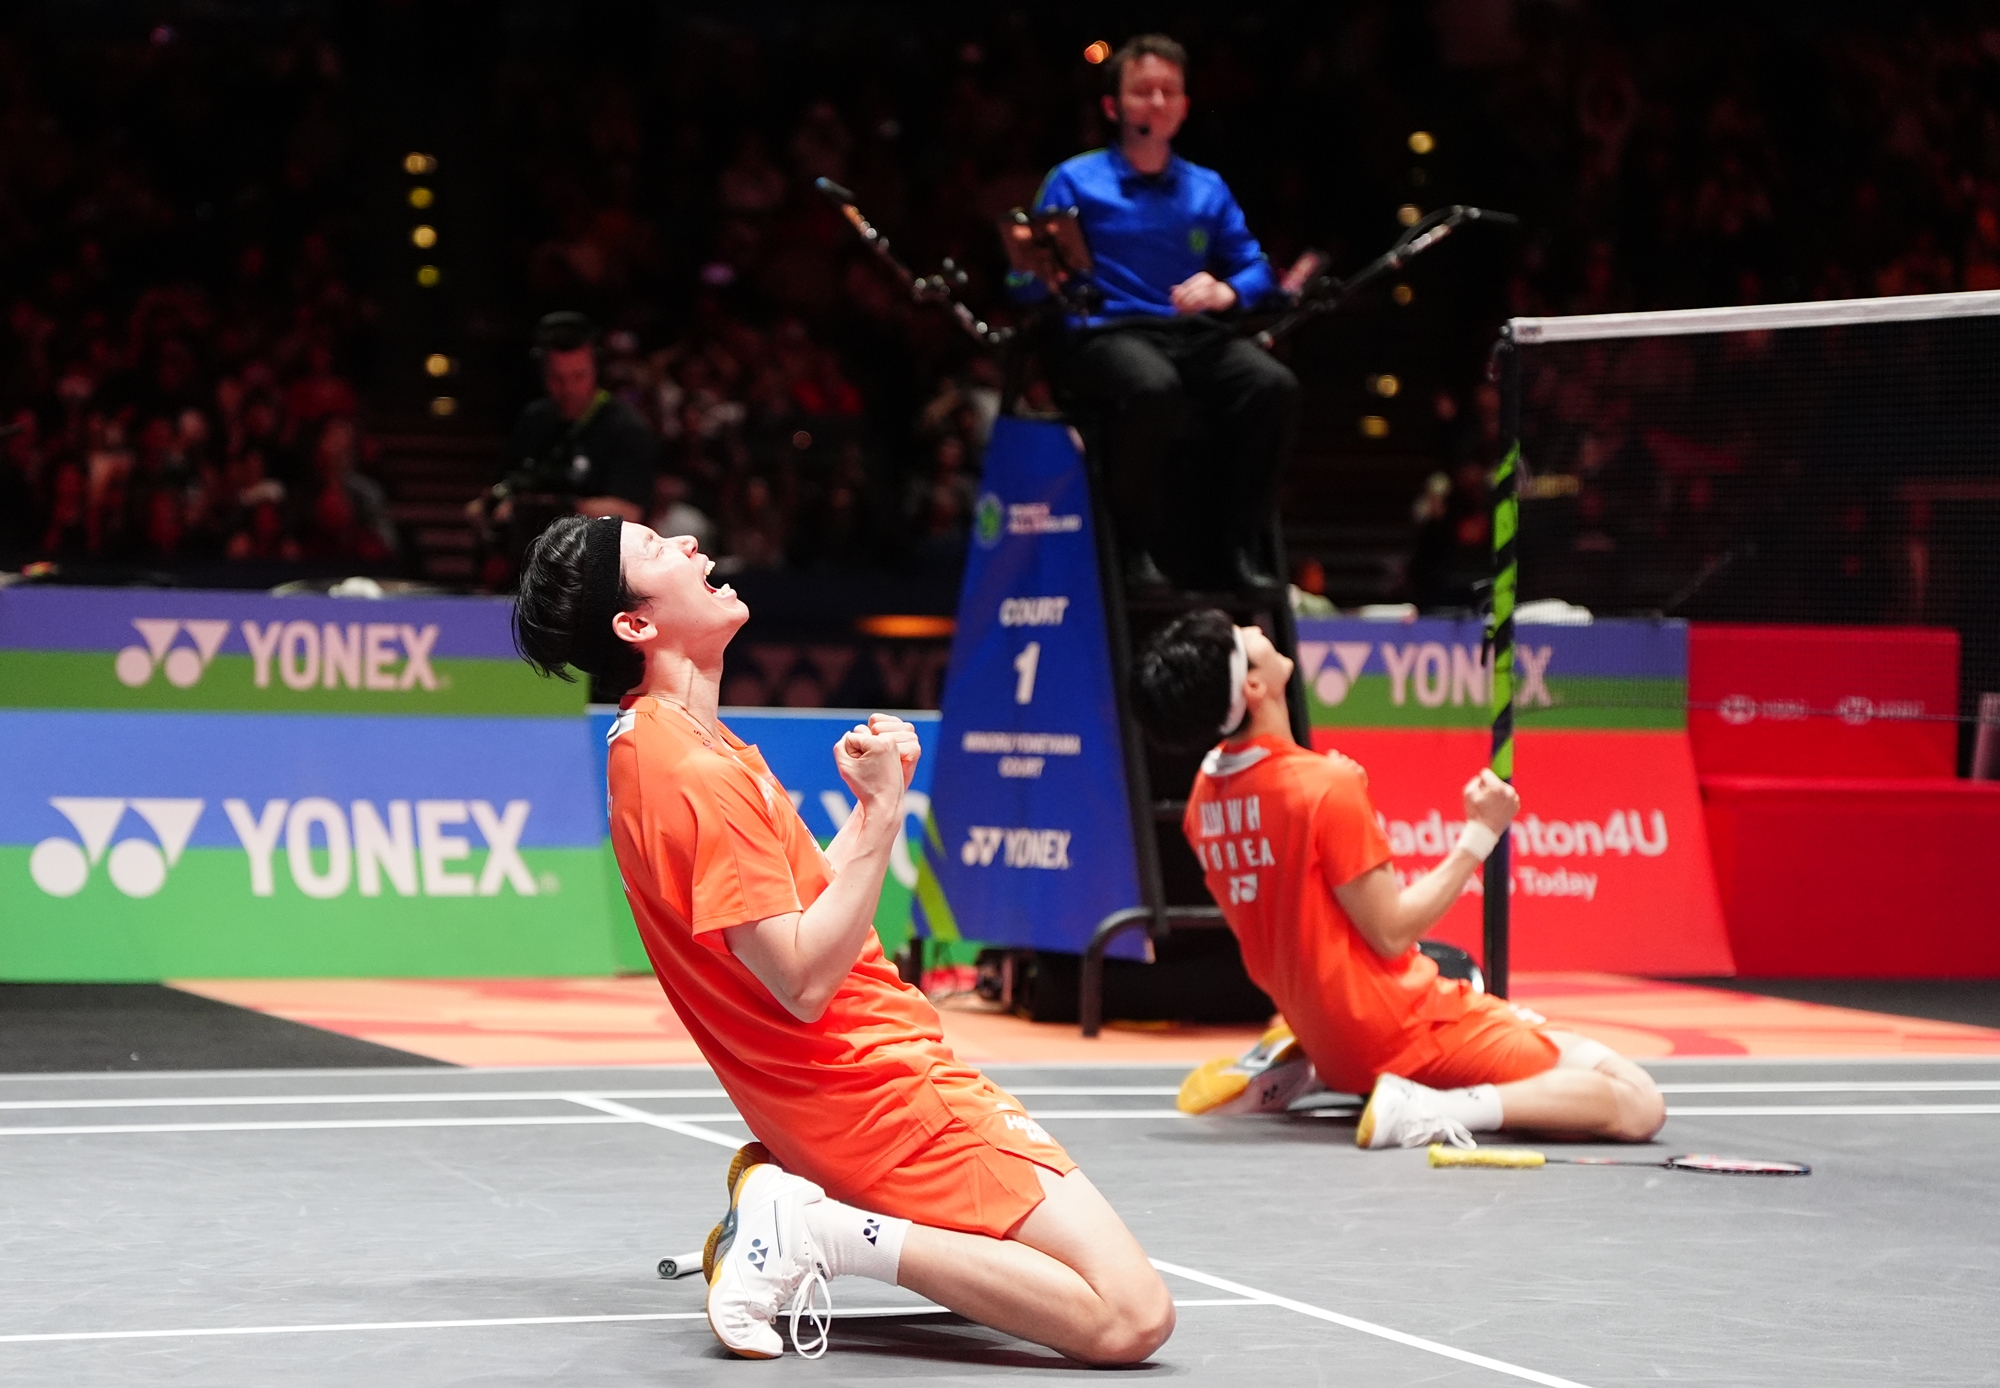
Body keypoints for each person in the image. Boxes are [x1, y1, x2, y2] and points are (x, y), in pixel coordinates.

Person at [510, 515, 1175, 1364]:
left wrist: (868, 803)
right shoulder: (694, 773)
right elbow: (800, 979)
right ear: (635, 625)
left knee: (1026, 1279)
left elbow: (788, 921)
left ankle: (803, 1207)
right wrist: (889, 816)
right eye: (655, 550)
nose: (687, 546)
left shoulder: (664, 746)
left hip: (838, 1097)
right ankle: (819, 1233)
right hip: (875, 1091)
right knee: (1130, 1317)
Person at [1130, 608, 1667, 1149]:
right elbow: (1392, 933)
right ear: (1252, 684)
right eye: (1242, 638)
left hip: (1333, 1042)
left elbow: (1292, 899)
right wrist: (1480, 834)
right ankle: (1428, 1105)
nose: (1254, 629)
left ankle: (1299, 1065)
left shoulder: (1205, 797)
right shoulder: (1323, 786)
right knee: (1636, 1098)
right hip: (1401, 1027)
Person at [1013, 34, 1297, 593]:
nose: (1158, 102)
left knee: (1274, 387)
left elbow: (1258, 271)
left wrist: (1224, 290)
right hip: (1105, 335)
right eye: (1143, 92)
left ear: (1186, 107)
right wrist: (1038, 276)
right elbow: (1023, 282)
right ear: (1113, 106)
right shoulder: (1074, 180)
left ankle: (1237, 546)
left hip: (1189, 335)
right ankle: (1130, 545)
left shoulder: (1207, 189)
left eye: (1170, 91)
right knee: (1152, 387)